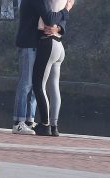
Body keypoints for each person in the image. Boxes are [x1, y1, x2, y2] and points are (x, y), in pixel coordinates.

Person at [12, 0, 74, 135]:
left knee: (35, 85)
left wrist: (58, 28)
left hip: (40, 44)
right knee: (26, 83)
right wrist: (66, 10)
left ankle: (29, 120)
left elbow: (58, 21)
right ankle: (18, 122)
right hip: (29, 43)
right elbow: (50, 17)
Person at [32, 0, 72, 136]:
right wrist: (60, 25)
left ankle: (45, 124)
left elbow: (49, 18)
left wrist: (64, 12)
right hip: (59, 44)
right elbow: (63, 20)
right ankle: (54, 126)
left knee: (38, 85)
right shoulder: (65, 2)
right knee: (54, 87)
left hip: (48, 42)